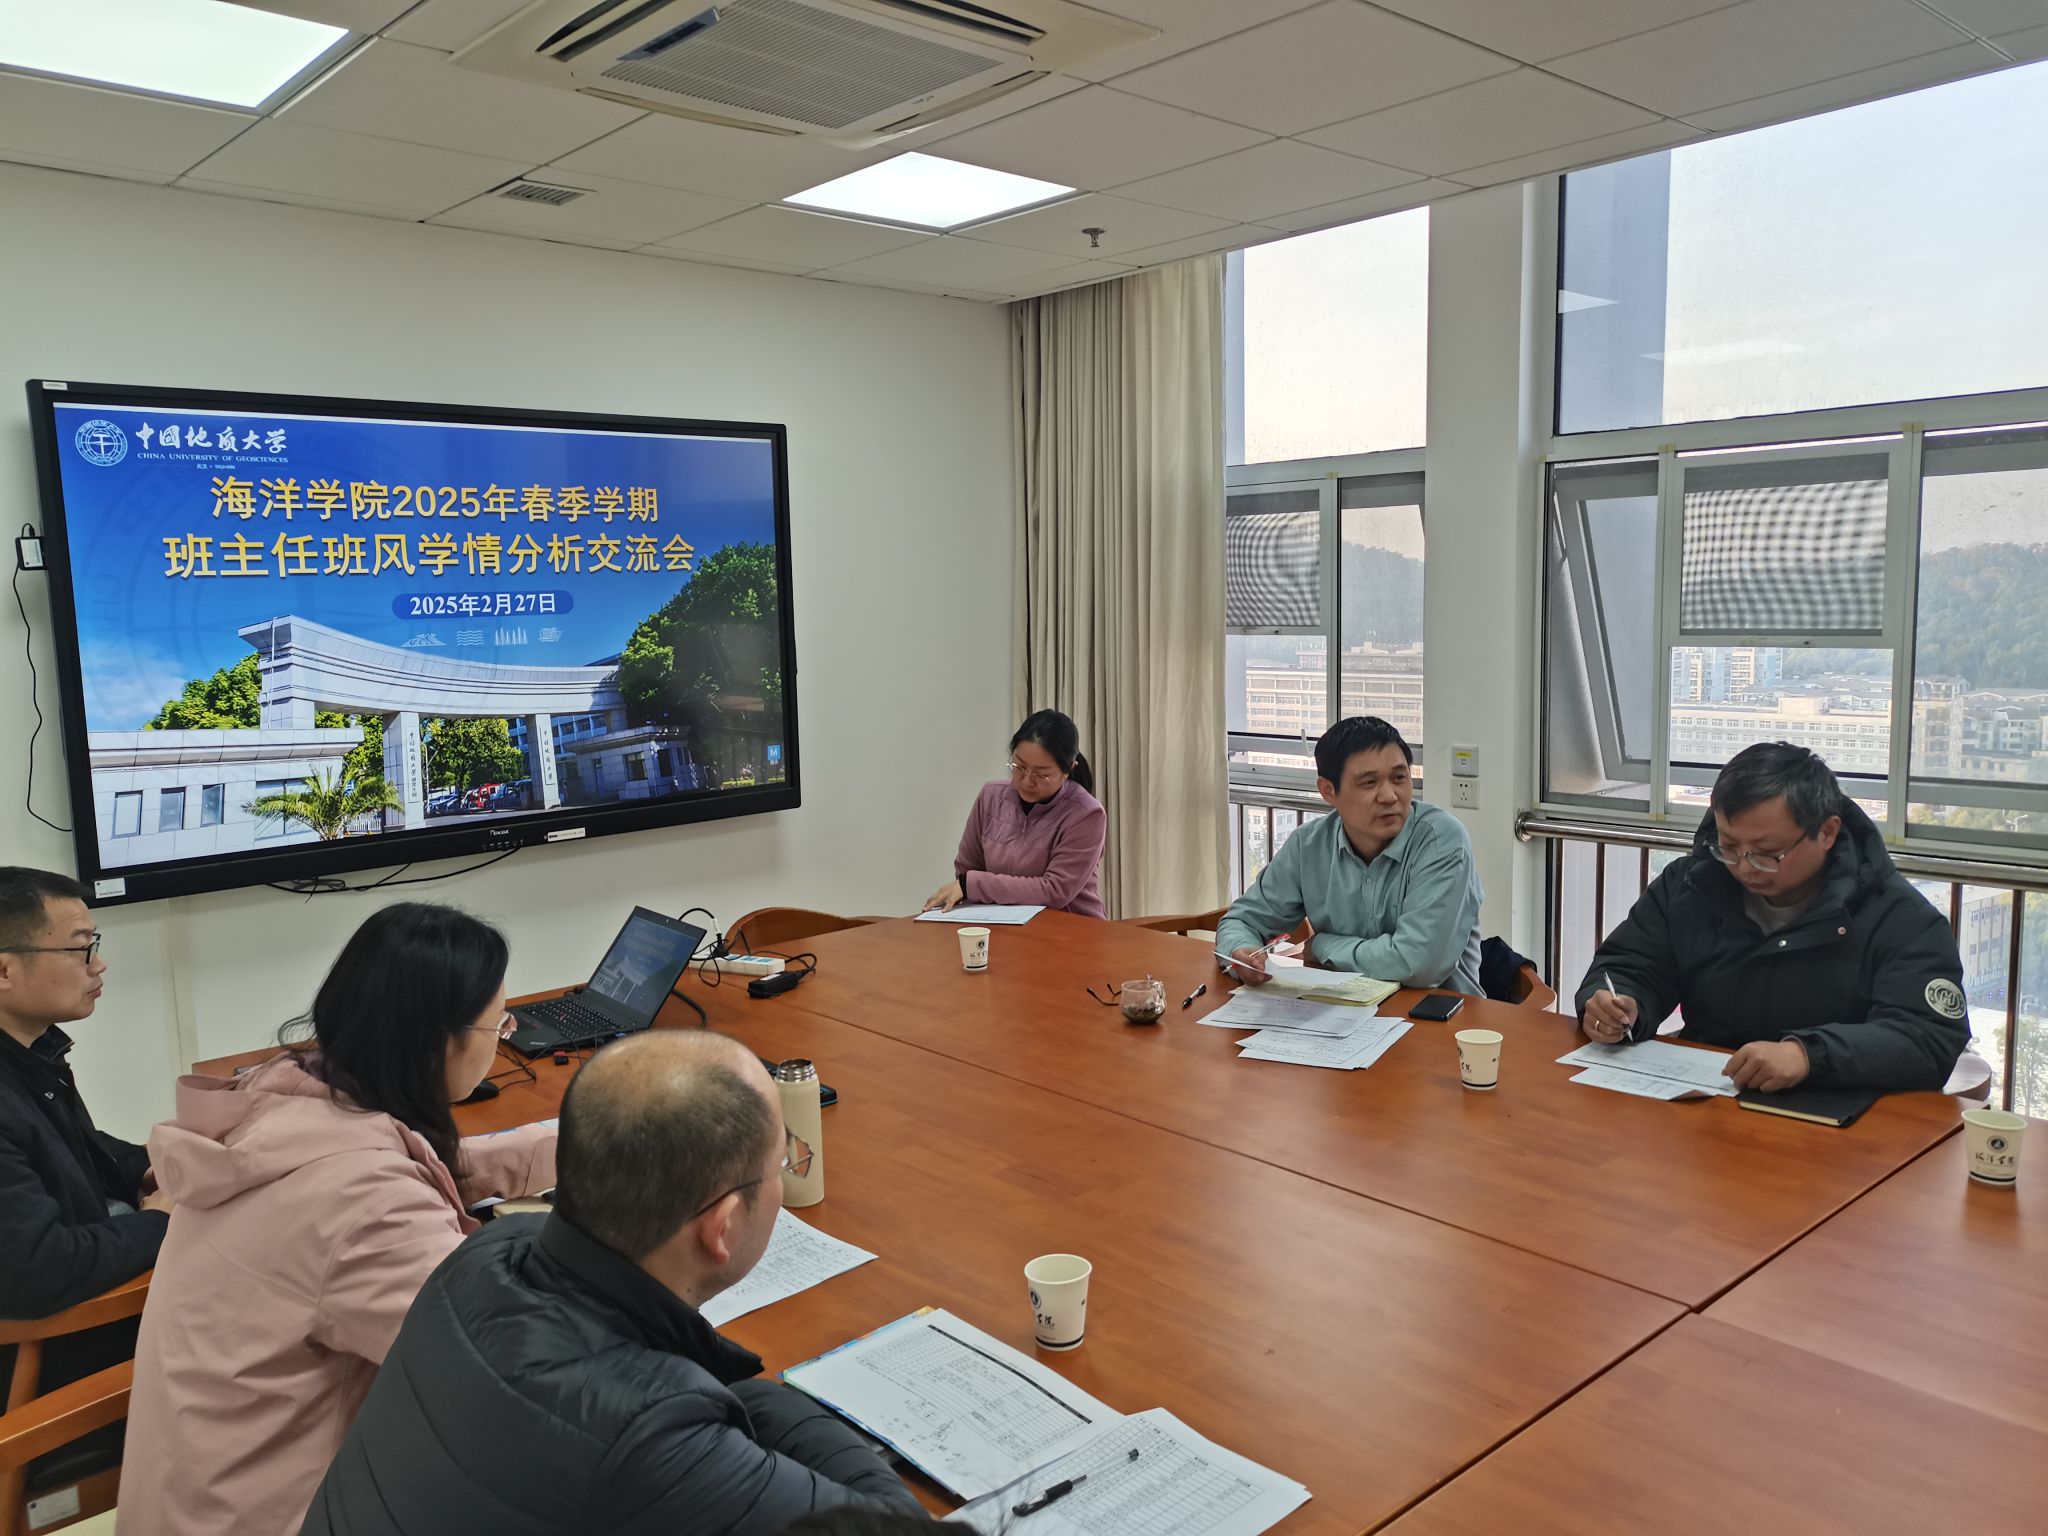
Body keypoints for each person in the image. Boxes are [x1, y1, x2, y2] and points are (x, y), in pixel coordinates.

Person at [301, 1031, 923, 1534]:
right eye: (780, 1162)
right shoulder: (652, 1437)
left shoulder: (490, 1252)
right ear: (723, 1227)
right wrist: (760, 1398)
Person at [119, 903, 556, 1536]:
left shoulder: (279, 1101)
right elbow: (502, 1374)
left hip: (192, 1493)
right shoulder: (369, 1205)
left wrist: (590, 1142)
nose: (503, 1038)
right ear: (442, 1039)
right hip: (273, 1514)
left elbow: (421, 1168)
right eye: (501, 1023)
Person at [1577, 743, 1968, 1092]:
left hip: (1834, 1118)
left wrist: (1808, 1055)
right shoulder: (1689, 886)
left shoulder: (1901, 919)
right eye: (1728, 846)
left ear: (1827, 832)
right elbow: (1631, 964)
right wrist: (1617, 1005)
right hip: (1705, 1103)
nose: (1744, 867)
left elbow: (1926, 1037)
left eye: (1767, 853)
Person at [0, 868, 169, 1473]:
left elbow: (76, 1149)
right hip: (45, 1370)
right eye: (81, 949)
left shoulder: (31, 1052)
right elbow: (40, 1270)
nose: (99, 965)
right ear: (4, 971)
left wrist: (154, 1168)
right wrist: (162, 1221)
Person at [1217, 718, 1484, 994]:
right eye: (1369, 783)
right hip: (1339, 1008)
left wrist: (1323, 945)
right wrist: (1240, 950)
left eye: (1399, 778)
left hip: (1438, 1011)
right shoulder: (1308, 846)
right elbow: (1242, 921)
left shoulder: (1440, 841)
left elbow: (1418, 964)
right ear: (1328, 791)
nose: (1389, 796)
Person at [925, 709, 1107, 918]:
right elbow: (967, 869)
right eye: (1019, 767)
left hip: (1070, 926)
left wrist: (973, 885)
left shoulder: (1086, 814)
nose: (1027, 781)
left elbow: (1054, 891)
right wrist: (969, 886)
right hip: (1001, 923)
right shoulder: (990, 797)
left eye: (1042, 774)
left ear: (1068, 770)